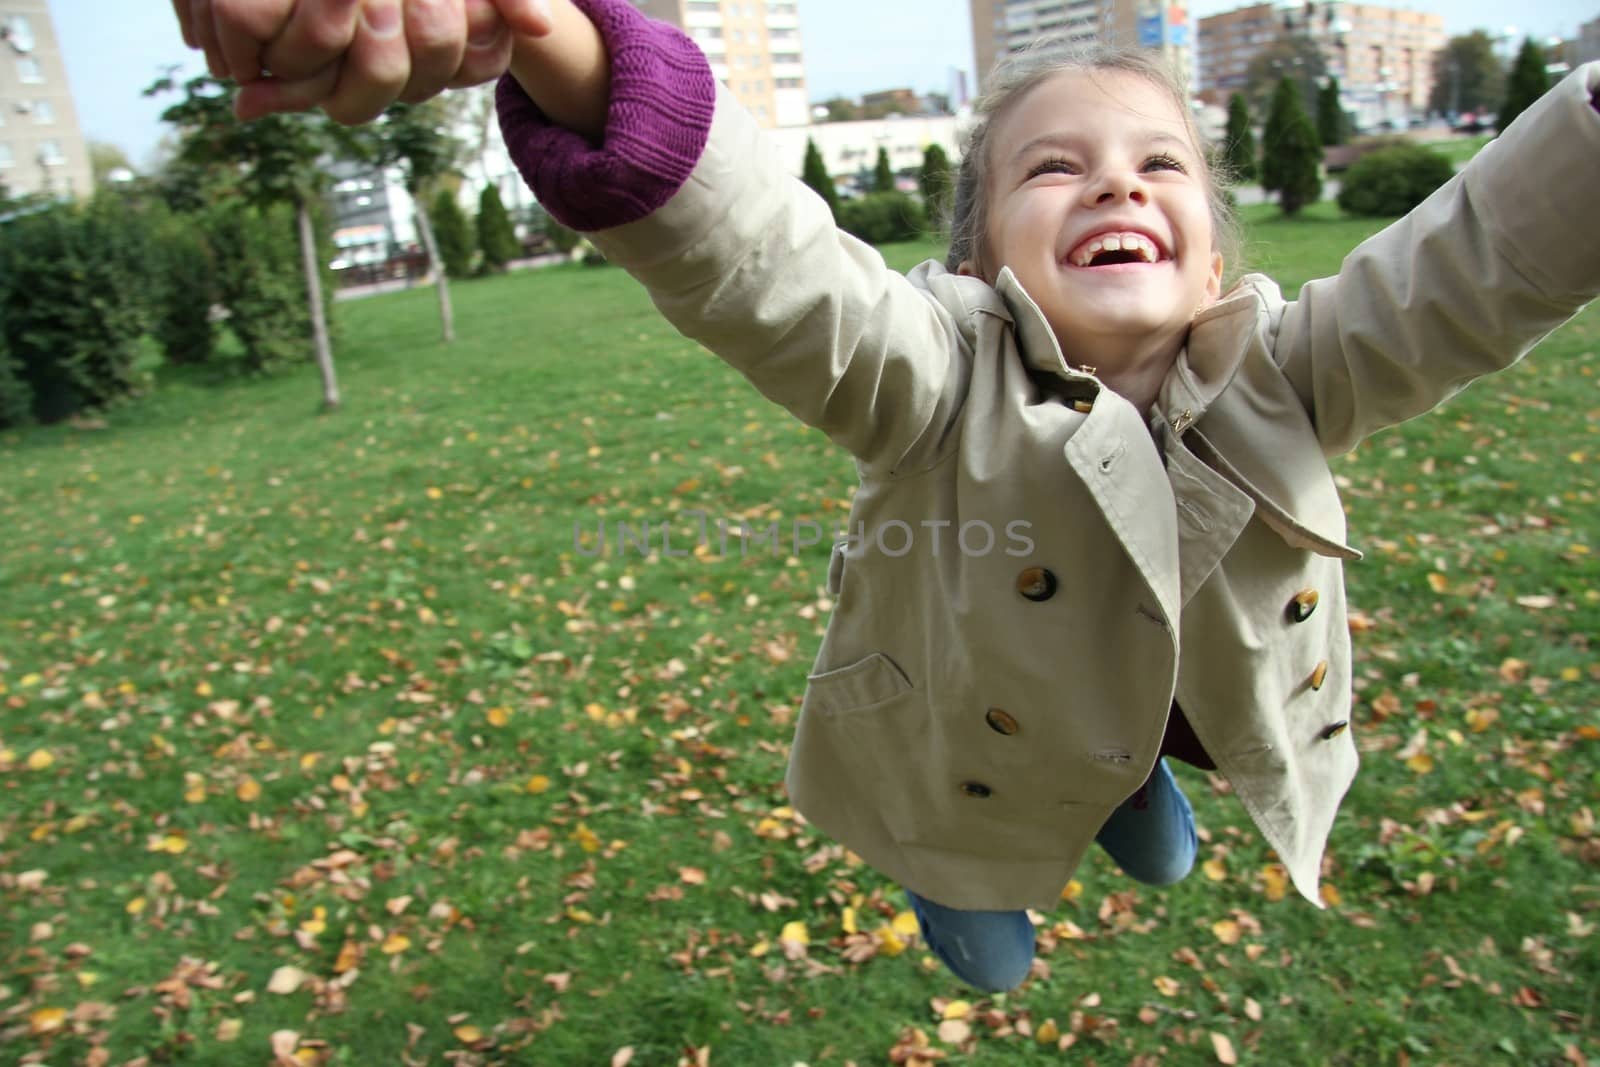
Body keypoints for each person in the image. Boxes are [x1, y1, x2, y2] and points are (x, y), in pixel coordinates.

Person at [173, 0, 1600, 993]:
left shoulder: (1299, 369)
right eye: (1057, 168)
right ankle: (965, 863)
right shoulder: (929, 371)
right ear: (981, 259)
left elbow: (1476, 263)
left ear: (1216, 257)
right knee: (991, 895)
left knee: (1146, 756)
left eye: (1160, 164)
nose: (1117, 182)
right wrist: (576, 52)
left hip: (1182, 682)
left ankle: (1124, 778)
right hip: (963, 730)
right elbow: (773, 269)